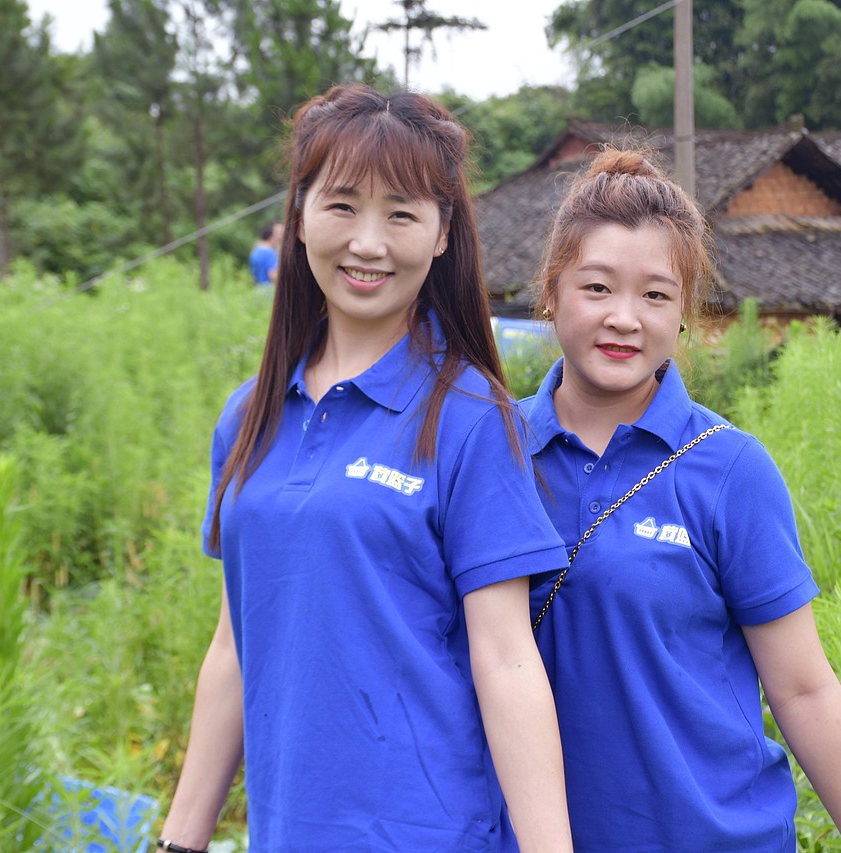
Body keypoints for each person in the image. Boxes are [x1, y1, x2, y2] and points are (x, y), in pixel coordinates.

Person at [156, 84, 573, 853]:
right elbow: (234, 646)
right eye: (342, 206)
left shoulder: (471, 418)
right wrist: (180, 840)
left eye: (401, 214)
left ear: (443, 234)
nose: (368, 243)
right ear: (299, 216)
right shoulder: (247, 417)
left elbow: (507, 659)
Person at [521, 148, 841, 853]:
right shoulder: (491, 450)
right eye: (597, 287)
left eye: (656, 295)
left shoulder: (729, 468)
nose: (624, 318)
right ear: (551, 292)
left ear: (685, 314)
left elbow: (803, 689)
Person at [248, 221, 283, 285]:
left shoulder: (255, 251)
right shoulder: (269, 253)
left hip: (257, 286)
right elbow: (273, 275)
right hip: (267, 287)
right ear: (271, 238)